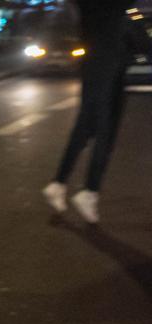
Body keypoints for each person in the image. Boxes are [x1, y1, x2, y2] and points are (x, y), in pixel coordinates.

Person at [43, 1, 152, 223]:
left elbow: (132, 34)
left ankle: (60, 184)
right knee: (104, 132)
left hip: (104, 67)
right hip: (105, 69)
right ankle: (88, 191)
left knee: (86, 129)